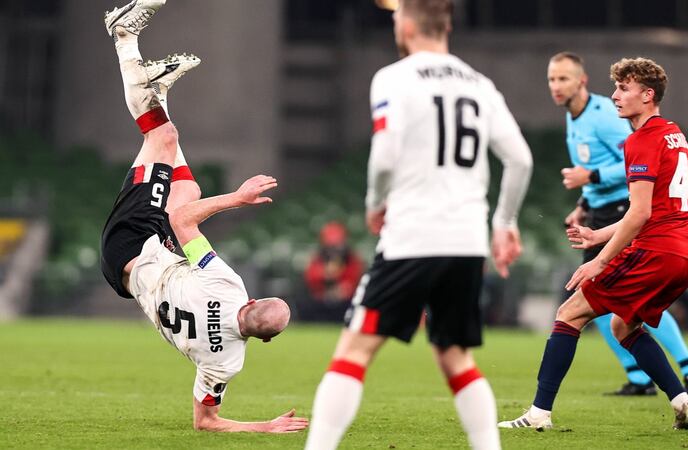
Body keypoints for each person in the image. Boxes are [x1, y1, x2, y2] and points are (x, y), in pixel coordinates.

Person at [304, 0, 533, 448]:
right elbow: (520, 159)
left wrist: (375, 201)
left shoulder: (394, 77)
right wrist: (503, 222)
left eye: (394, 17)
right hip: (466, 240)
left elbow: (385, 153)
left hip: (412, 236)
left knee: (354, 351)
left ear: (407, 26)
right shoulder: (480, 83)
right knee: (455, 357)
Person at [99, 0, 308, 433]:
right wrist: (263, 428)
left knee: (162, 135)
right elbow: (206, 422)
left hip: (134, 243)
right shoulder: (228, 362)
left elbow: (183, 223)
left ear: (252, 301)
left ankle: (124, 36)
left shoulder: (228, 287)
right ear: (263, 340)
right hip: (138, 274)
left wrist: (239, 197)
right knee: (187, 188)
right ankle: (161, 93)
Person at [499, 57, 688, 431]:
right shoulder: (673, 133)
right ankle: (685, 404)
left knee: (570, 313)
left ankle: (538, 415)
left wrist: (599, 261)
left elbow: (640, 213)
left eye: (624, 89)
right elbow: (650, 209)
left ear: (647, 96)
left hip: (657, 249)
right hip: (686, 254)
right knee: (622, 327)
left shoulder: (641, 140)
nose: (615, 96)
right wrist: (598, 235)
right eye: (615, 88)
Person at [547, 52, 688, 397]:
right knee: (616, 306)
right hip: (611, 213)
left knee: (599, 300)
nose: (555, 86)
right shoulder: (574, 119)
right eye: (551, 79)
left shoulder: (610, 117)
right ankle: (648, 377)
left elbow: (634, 166)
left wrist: (590, 177)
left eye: (563, 78)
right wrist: (583, 204)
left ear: (581, 81)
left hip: (627, 210)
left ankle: (685, 369)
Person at [301, 221, 364, 322]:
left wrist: (342, 287)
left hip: (345, 303)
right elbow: (310, 278)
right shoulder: (318, 257)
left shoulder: (351, 258)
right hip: (321, 301)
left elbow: (354, 279)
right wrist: (325, 274)